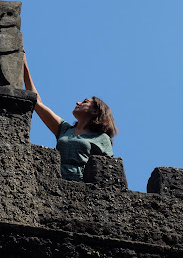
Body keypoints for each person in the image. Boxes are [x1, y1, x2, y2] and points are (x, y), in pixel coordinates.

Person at [23, 50, 118, 182]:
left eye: (85, 102)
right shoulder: (65, 129)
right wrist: (23, 66)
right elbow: (37, 102)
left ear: (96, 111)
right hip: (55, 181)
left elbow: (107, 171)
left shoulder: (101, 138)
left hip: (81, 188)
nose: (78, 103)